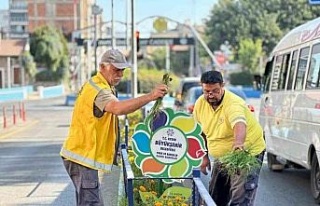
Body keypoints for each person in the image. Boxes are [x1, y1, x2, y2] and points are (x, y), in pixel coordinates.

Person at [60, 49, 168, 206]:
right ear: (102, 67)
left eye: (122, 70)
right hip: (82, 156)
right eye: (116, 70)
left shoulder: (99, 85)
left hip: (81, 155)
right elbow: (118, 108)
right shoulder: (99, 90)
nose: (120, 75)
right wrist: (151, 96)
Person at [192, 70, 265, 206]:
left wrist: (238, 143)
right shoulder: (200, 104)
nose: (211, 95)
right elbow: (199, 133)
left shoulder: (233, 103)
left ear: (222, 86)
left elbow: (239, 123)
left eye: (215, 90)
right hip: (223, 156)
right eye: (207, 91)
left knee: (240, 199)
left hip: (245, 152)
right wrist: (204, 156)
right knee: (215, 198)